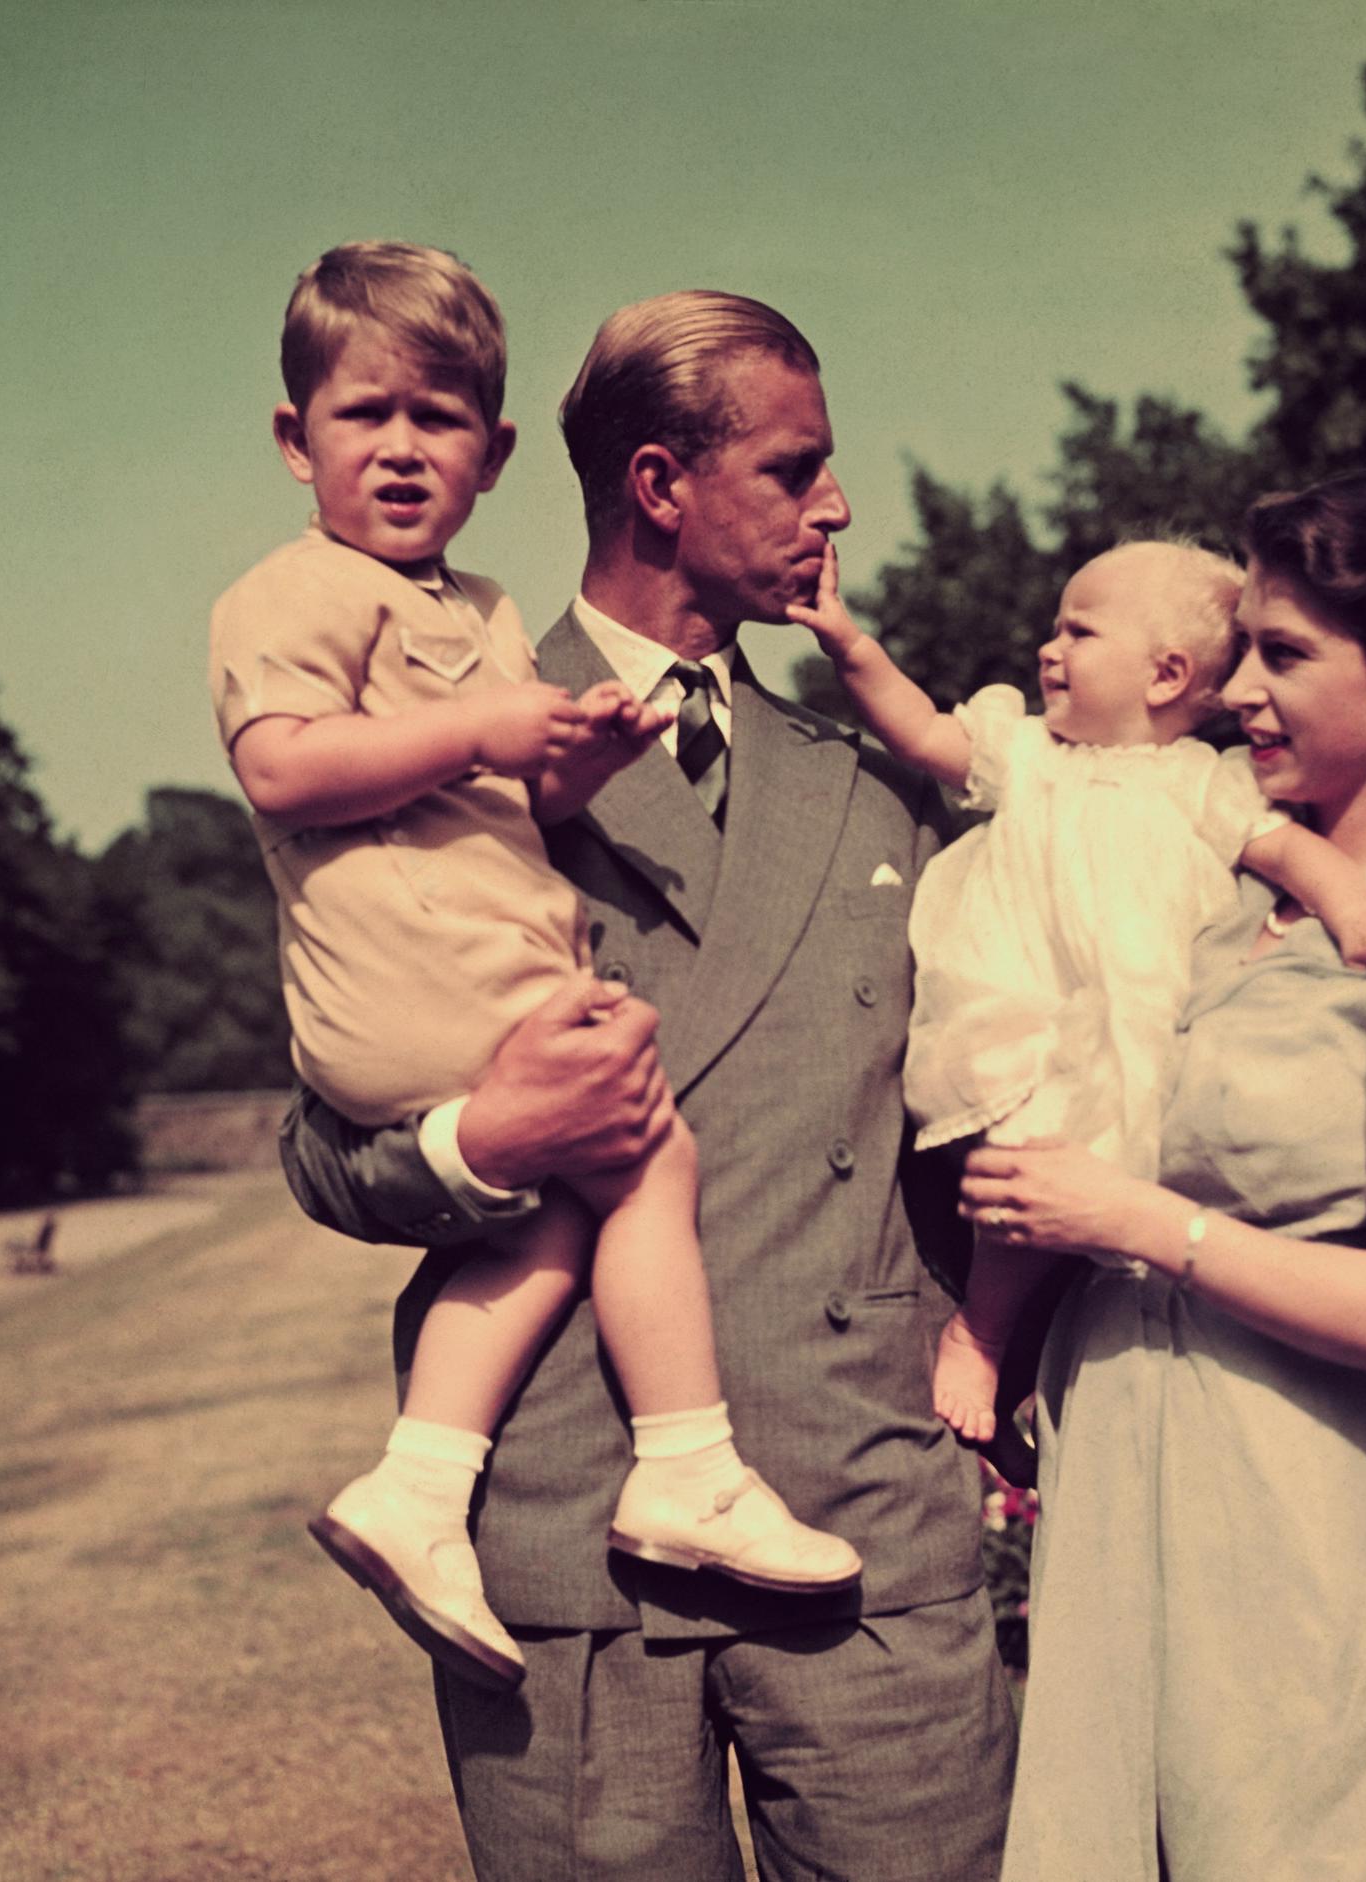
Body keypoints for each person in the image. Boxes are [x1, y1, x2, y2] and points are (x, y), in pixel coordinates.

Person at [275, 290, 1017, 1881]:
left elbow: (979, 1114)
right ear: (661, 484)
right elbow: (326, 1147)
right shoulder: (422, 736)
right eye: (798, 467)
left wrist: (996, 1345)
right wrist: (486, 1143)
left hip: (860, 1522)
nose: (836, 507)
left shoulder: (873, 786)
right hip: (565, 1534)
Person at [210, 246, 861, 1693]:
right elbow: (282, 766)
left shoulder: (485, 619)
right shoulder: (295, 594)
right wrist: (475, 1139)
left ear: (493, 453)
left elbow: (516, 806)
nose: (399, 451)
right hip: (421, 999)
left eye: (437, 422)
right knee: (641, 1153)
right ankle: (682, 1461)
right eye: (361, 416)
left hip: (856, 1473)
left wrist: (573, 761)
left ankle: (418, 1487)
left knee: (577, 1206)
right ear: (290, 438)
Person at [961, 470, 1366, 1881]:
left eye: (1286, 655)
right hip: (1114, 1507)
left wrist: (1140, 1221)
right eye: (1239, 650)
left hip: (1288, 1538)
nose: (1239, 693)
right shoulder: (1206, 908)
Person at [791, 535, 1366, 1458]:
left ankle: (1022, 1380)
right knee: (1032, 1169)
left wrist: (1358, 915)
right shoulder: (1027, 754)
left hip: (1137, 1031)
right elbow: (923, 731)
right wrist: (850, 645)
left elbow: (1296, 852)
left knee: (1101, 1213)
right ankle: (978, 1334)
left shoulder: (1200, 785)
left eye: (1079, 632)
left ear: (1166, 674)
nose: (1048, 649)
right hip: (1019, 1017)